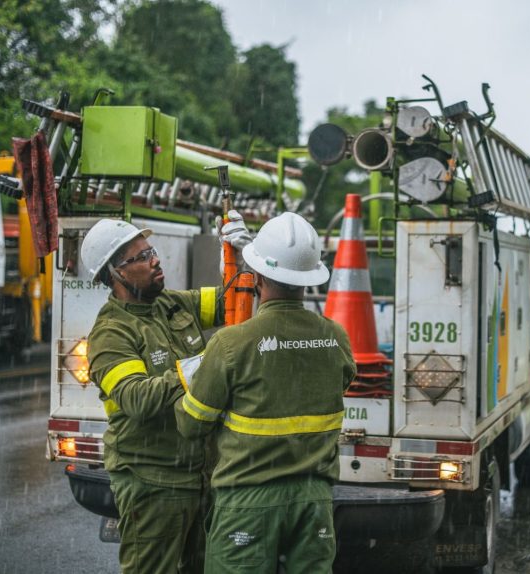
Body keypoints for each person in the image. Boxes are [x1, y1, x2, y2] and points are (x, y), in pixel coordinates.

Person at [175, 212, 357, 574]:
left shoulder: (231, 343)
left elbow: (192, 424)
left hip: (248, 499)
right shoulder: (336, 337)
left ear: (256, 277)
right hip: (313, 500)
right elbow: (339, 380)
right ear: (309, 279)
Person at [81, 213, 250, 574]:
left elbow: (238, 305)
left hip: (199, 472)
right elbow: (137, 399)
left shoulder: (172, 303)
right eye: (140, 258)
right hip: (152, 481)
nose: (155, 260)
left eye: (151, 251)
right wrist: (204, 364)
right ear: (115, 273)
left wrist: (242, 261)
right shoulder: (111, 333)